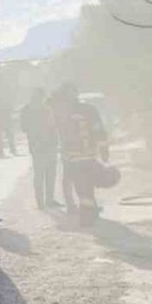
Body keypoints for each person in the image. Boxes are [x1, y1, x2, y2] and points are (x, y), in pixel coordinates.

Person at [54, 84, 109, 227]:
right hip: (86, 155)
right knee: (87, 185)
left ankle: (88, 214)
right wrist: (104, 149)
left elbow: (59, 133)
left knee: (81, 186)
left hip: (73, 157)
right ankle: (90, 212)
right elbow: (98, 129)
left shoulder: (62, 112)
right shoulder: (88, 109)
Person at [20, 88, 61, 209]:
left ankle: (49, 200)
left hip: (50, 145)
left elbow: (53, 126)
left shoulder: (47, 109)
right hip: (38, 147)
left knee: (50, 174)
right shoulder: (28, 111)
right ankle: (41, 202)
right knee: (40, 175)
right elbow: (24, 127)